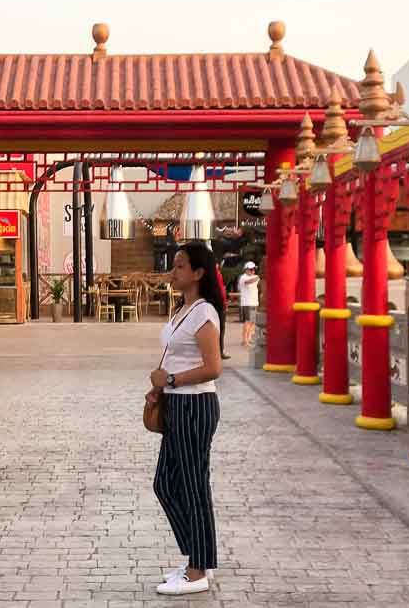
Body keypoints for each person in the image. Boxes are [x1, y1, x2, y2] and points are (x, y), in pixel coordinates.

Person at [147, 241, 224, 596]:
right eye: (173, 265)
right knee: (165, 483)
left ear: (198, 273)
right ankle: (198, 554)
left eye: (180, 266)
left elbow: (213, 368)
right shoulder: (183, 309)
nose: (173, 271)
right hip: (176, 404)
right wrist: (161, 389)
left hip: (195, 405)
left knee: (194, 486)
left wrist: (173, 380)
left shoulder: (204, 312)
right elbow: (175, 358)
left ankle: (197, 571)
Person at [238, 261, 260, 347]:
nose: (253, 271)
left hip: (254, 302)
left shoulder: (255, 276)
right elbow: (249, 282)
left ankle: (249, 338)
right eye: (251, 269)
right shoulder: (243, 278)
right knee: (247, 322)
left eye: (254, 269)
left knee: (252, 322)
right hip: (247, 303)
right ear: (246, 270)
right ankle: (244, 340)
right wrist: (259, 276)